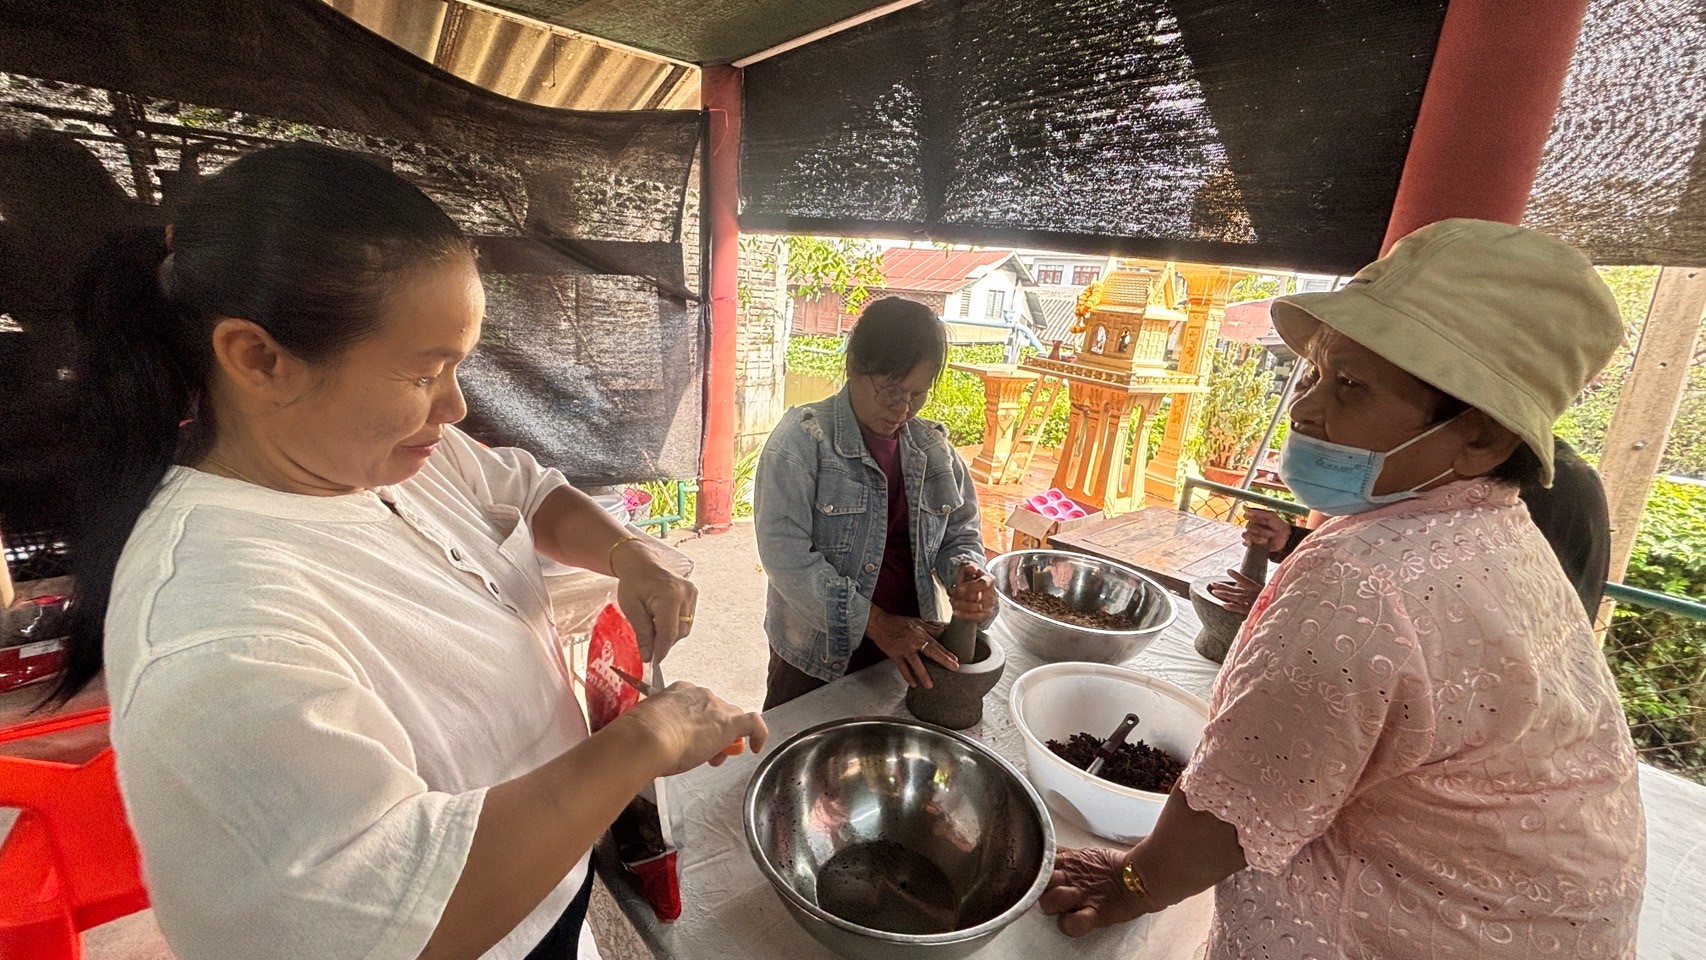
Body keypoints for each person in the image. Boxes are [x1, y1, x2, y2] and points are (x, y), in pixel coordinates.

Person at [56, 144, 768, 960]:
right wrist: (646, 740)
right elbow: (390, 917)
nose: (455, 405)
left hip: (551, 893)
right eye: (426, 371)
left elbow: (526, 491)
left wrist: (627, 554)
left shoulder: (381, 456)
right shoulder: (220, 631)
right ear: (259, 359)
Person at [1040, 220, 1646, 958]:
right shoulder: (1502, 532)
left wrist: (1131, 884)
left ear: (1481, 436)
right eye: (1317, 376)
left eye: (1351, 387)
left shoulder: (1362, 578)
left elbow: (1232, 813)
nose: (1306, 410)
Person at [754, 297, 996, 710]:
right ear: (853, 365)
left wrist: (967, 575)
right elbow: (785, 556)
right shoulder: (802, 440)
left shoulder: (933, 450)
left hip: (907, 649)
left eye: (917, 395)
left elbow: (960, 533)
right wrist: (877, 623)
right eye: (890, 390)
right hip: (817, 653)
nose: (902, 409)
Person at [1212, 434, 1612, 618]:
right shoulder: (1456, 475)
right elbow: (1403, 552)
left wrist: (1290, 613)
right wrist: (1292, 540)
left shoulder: (1558, 488)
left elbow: (1453, 618)